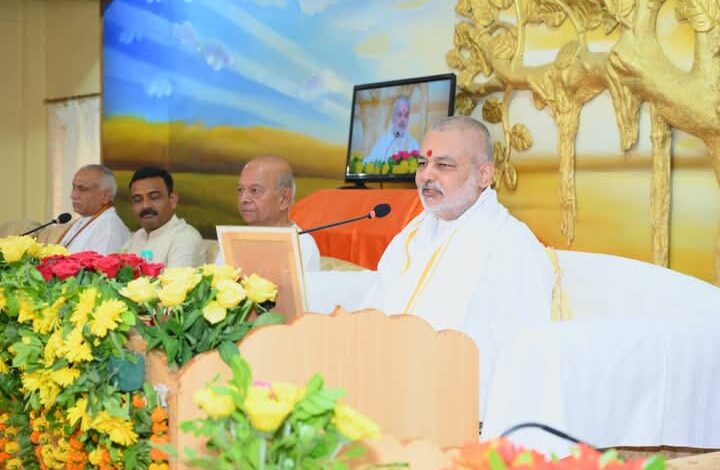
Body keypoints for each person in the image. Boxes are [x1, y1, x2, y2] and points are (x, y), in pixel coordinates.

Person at [363, 116, 554, 416]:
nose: (426, 176)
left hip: (458, 413)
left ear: (484, 175)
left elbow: (522, 360)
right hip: (383, 395)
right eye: (422, 164)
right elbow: (370, 315)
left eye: (444, 165)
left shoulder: (510, 245)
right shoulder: (411, 235)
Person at [215, 156, 321, 272]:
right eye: (240, 190)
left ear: (283, 199)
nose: (243, 199)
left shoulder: (302, 245)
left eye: (255, 191)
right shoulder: (233, 240)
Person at [123, 166, 206, 268]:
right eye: (137, 200)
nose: (145, 206)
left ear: (172, 200)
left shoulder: (185, 237)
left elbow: (177, 278)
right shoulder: (137, 237)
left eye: (154, 197)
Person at [58, 164, 130, 254]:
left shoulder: (108, 228)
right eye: (74, 187)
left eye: (82, 189)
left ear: (105, 196)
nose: (73, 195)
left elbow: (101, 263)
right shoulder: (85, 219)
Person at [363, 95, 420, 164]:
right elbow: (367, 163)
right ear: (393, 117)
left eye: (406, 115)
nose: (403, 120)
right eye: (399, 114)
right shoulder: (383, 143)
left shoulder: (414, 144)